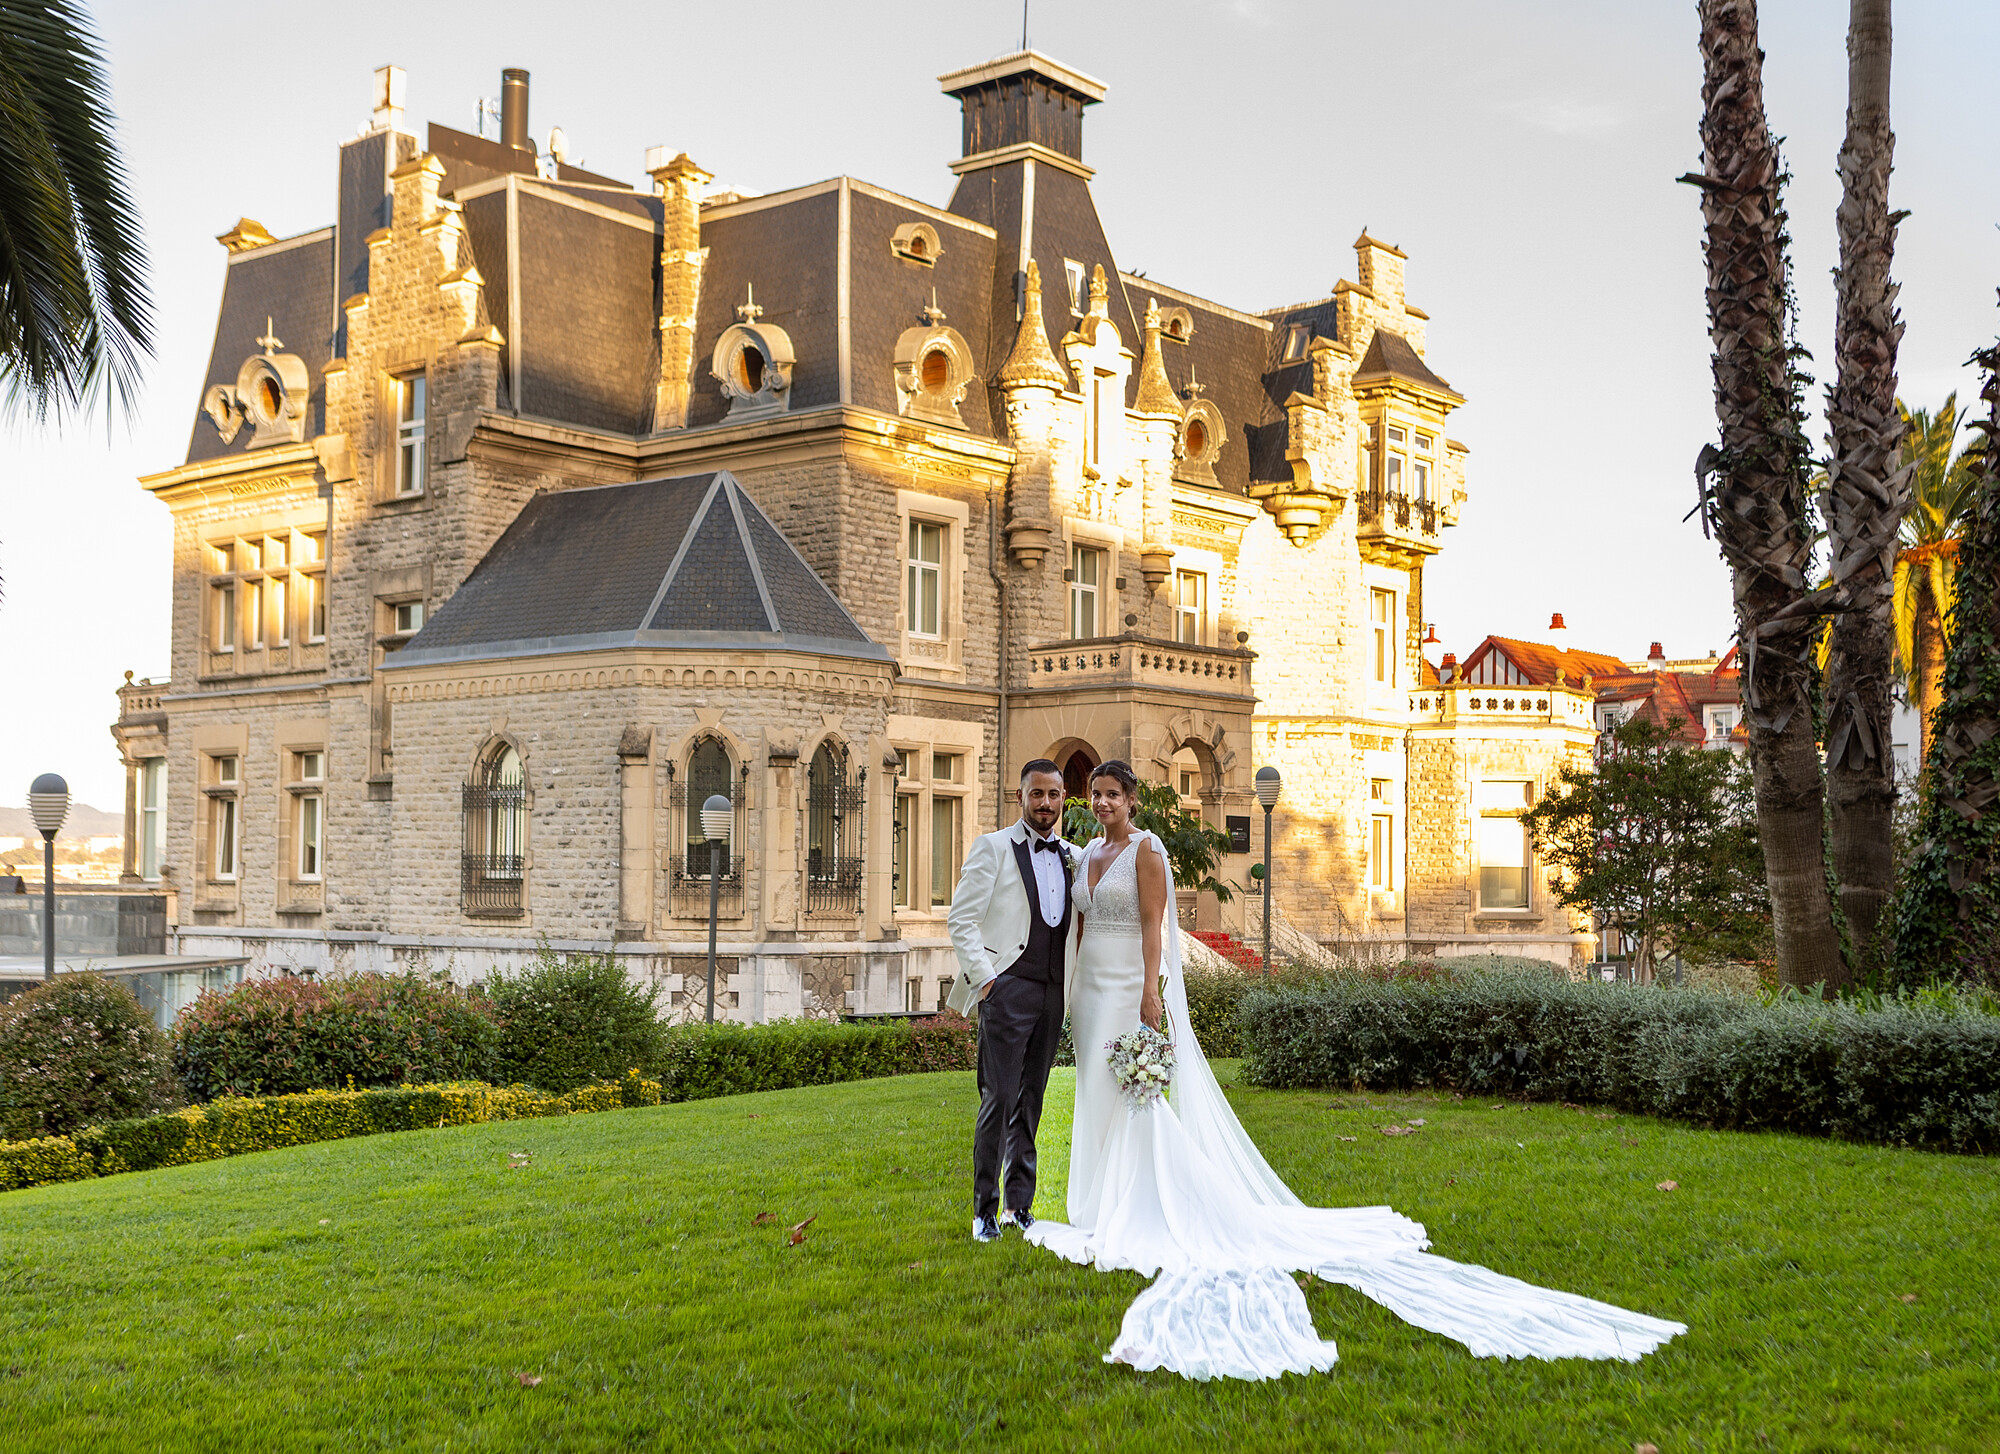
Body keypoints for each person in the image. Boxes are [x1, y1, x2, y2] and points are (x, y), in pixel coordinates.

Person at [1025, 759, 1687, 1381]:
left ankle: (1140, 1201)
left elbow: (1152, 927)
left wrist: (1151, 994)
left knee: (1137, 1095)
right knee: (1095, 1089)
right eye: (1098, 796)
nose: (1104, 803)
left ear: (1132, 801)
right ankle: (1093, 1202)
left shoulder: (1146, 851)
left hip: (1130, 984)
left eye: (1114, 795)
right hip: (1090, 994)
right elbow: (1077, 926)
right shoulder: (1087, 854)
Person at [945, 758, 1084, 1244]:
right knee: (998, 1098)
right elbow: (961, 919)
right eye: (1037, 794)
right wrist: (987, 981)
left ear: (1063, 799)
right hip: (1006, 990)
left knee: (1032, 1101)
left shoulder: (1074, 855)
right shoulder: (993, 849)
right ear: (1020, 797)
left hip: (1052, 993)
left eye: (1054, 795)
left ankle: (1019, 1205)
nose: (1045, 803)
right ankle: (984, 1211)